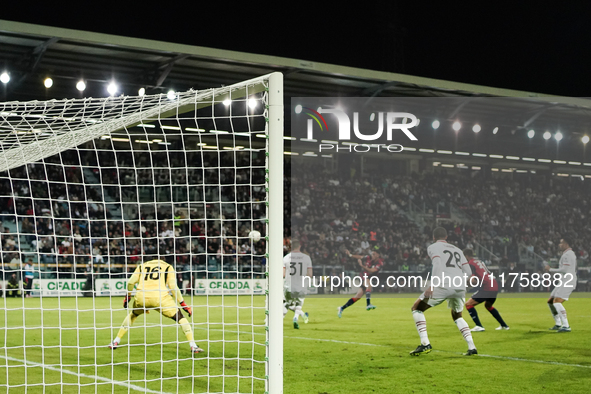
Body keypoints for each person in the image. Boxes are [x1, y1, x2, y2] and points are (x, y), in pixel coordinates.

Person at [108, 250, 204, 354]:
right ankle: (193, 345)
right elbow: (173, 287)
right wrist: (182, 303)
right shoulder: (167, 267)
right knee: (180, 318)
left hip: (142, 297)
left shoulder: (142, 266)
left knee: (133, 315)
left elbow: (131, 282)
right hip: (160, 297)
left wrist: (128, 296)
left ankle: (115, 341)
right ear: (162, 258)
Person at [409, 227, 477, 356]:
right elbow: (468, 272)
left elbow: (438, 264)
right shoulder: (457, 250)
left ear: (434, 237)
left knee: (417, 308)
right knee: (458, 316)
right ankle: (472, 347)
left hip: (444, 284)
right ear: (446, 237)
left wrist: (432, 285)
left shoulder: (433, 247)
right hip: (459, 286)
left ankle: (425, 344)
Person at [463, 249, 509, 331]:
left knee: (468, 304)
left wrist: (466, 284)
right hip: (494, 285)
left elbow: (472, 280)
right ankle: (504, 326)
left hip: (487, 287)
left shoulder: (471, 264)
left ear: (466, 256)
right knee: (488, 306)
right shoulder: (479, 261)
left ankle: (479, 326)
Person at [337, 249, 383, 317]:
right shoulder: (368, 257)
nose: (372, 255)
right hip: (363, 276)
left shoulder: (379, 263)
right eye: (372, 254)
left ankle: (342, 308)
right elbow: (360, 257)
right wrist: (350, 255)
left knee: (357, 296)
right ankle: (368, 304)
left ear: (378, 255)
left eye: (374, 254)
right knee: (369, 285)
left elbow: (371, 271)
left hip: (369, 277)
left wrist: (362, 265)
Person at [545, 237, 577, 333]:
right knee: (550, 301)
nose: (559, 245)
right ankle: (558, 323)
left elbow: (565, 270)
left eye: (561, 243)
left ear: (566, 244)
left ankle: (566, 326)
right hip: (564, 281)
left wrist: (551, 270)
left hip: (568, 281)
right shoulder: (567, 254)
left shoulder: (568, 254)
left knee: (557, 301)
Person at [283, 240, 312, 329]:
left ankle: (278, 322)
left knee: (287, 304)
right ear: (299, 247)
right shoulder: (306, 258)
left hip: (289, 285)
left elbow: (283, 274)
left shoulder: (286, 258)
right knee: (298, 304)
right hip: (301, 285)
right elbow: (310, 275)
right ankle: (296, 318)